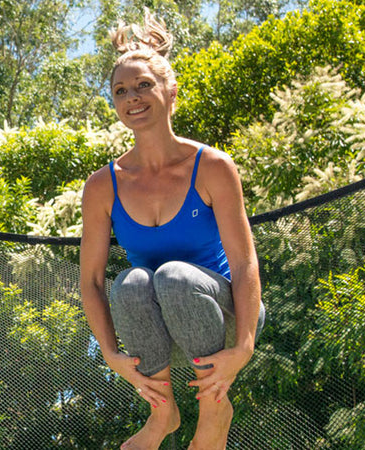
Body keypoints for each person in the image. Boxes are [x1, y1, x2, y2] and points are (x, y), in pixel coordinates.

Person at [79, 12, 265, 450]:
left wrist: (243, 347)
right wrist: (111, 354)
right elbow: (90, 282)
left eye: (144, 84)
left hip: (228, 317)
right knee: (131, 281)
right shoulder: (103, 185)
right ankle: (162, 411)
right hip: (157, 328)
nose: (133, 97)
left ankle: (214, 404)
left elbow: (244, 262)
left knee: (173, 276)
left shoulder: (213, 167)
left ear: (170, 91)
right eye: (121, 91)